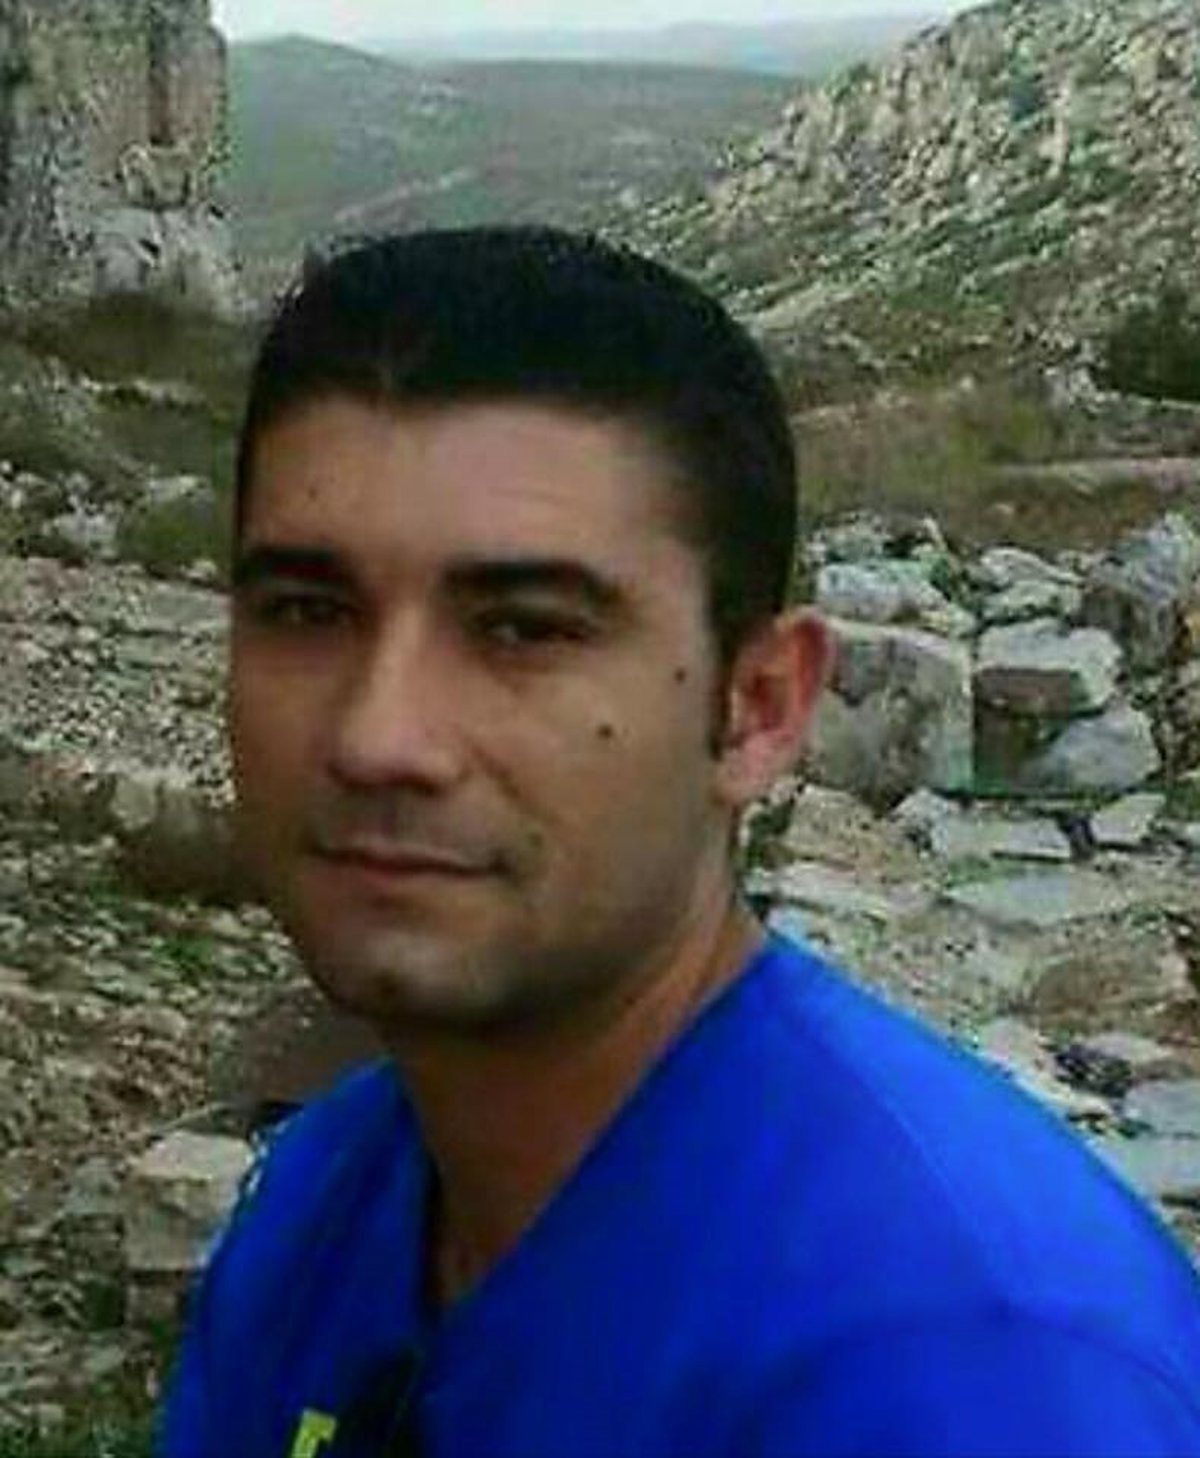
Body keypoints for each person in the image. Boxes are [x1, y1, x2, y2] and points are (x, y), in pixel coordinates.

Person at [161, 226, 1200, 1458]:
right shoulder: (322, 1206)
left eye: (523, 630)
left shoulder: (972, 1370)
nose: (378, 737)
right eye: (305, 610)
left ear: (757, 707)